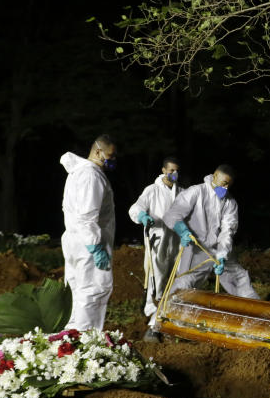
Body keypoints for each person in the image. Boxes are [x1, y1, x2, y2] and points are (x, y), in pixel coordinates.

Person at [161, 164, 259, 300]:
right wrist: (182, 231)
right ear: (215, 176)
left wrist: (222, 255)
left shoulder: (230, 203)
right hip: (196, 249)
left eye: (229, 185)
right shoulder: (196, 192)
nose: (225, 188)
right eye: (224, 183)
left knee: (240, 279)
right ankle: (162, 317)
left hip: (218, 250)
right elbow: (172, 215)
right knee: (184, 286)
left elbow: (227, 231)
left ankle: (257, 313)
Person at [60, 135, 117, 331]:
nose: (112, 159)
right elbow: (87, 214)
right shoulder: (91, 175)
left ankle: (70, 339)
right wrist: (95, 245)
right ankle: (86, 340)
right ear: (98, 151)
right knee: (92, 290)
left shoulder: (78, 172)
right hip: (89, 244)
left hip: (75, 240)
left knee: (76, 290)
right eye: (110, 155)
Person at [128, 156, 181, 342]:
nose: (174, 174)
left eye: (176, 170)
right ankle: (153, 324)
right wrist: (142, 216)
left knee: (174, 282)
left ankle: (166, 322)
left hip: (176, 243)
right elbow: (135, 208)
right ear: (163, 170)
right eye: (171, 170)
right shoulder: (152, 191)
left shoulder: (180, 192)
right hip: (157, 241)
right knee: (156, 282)